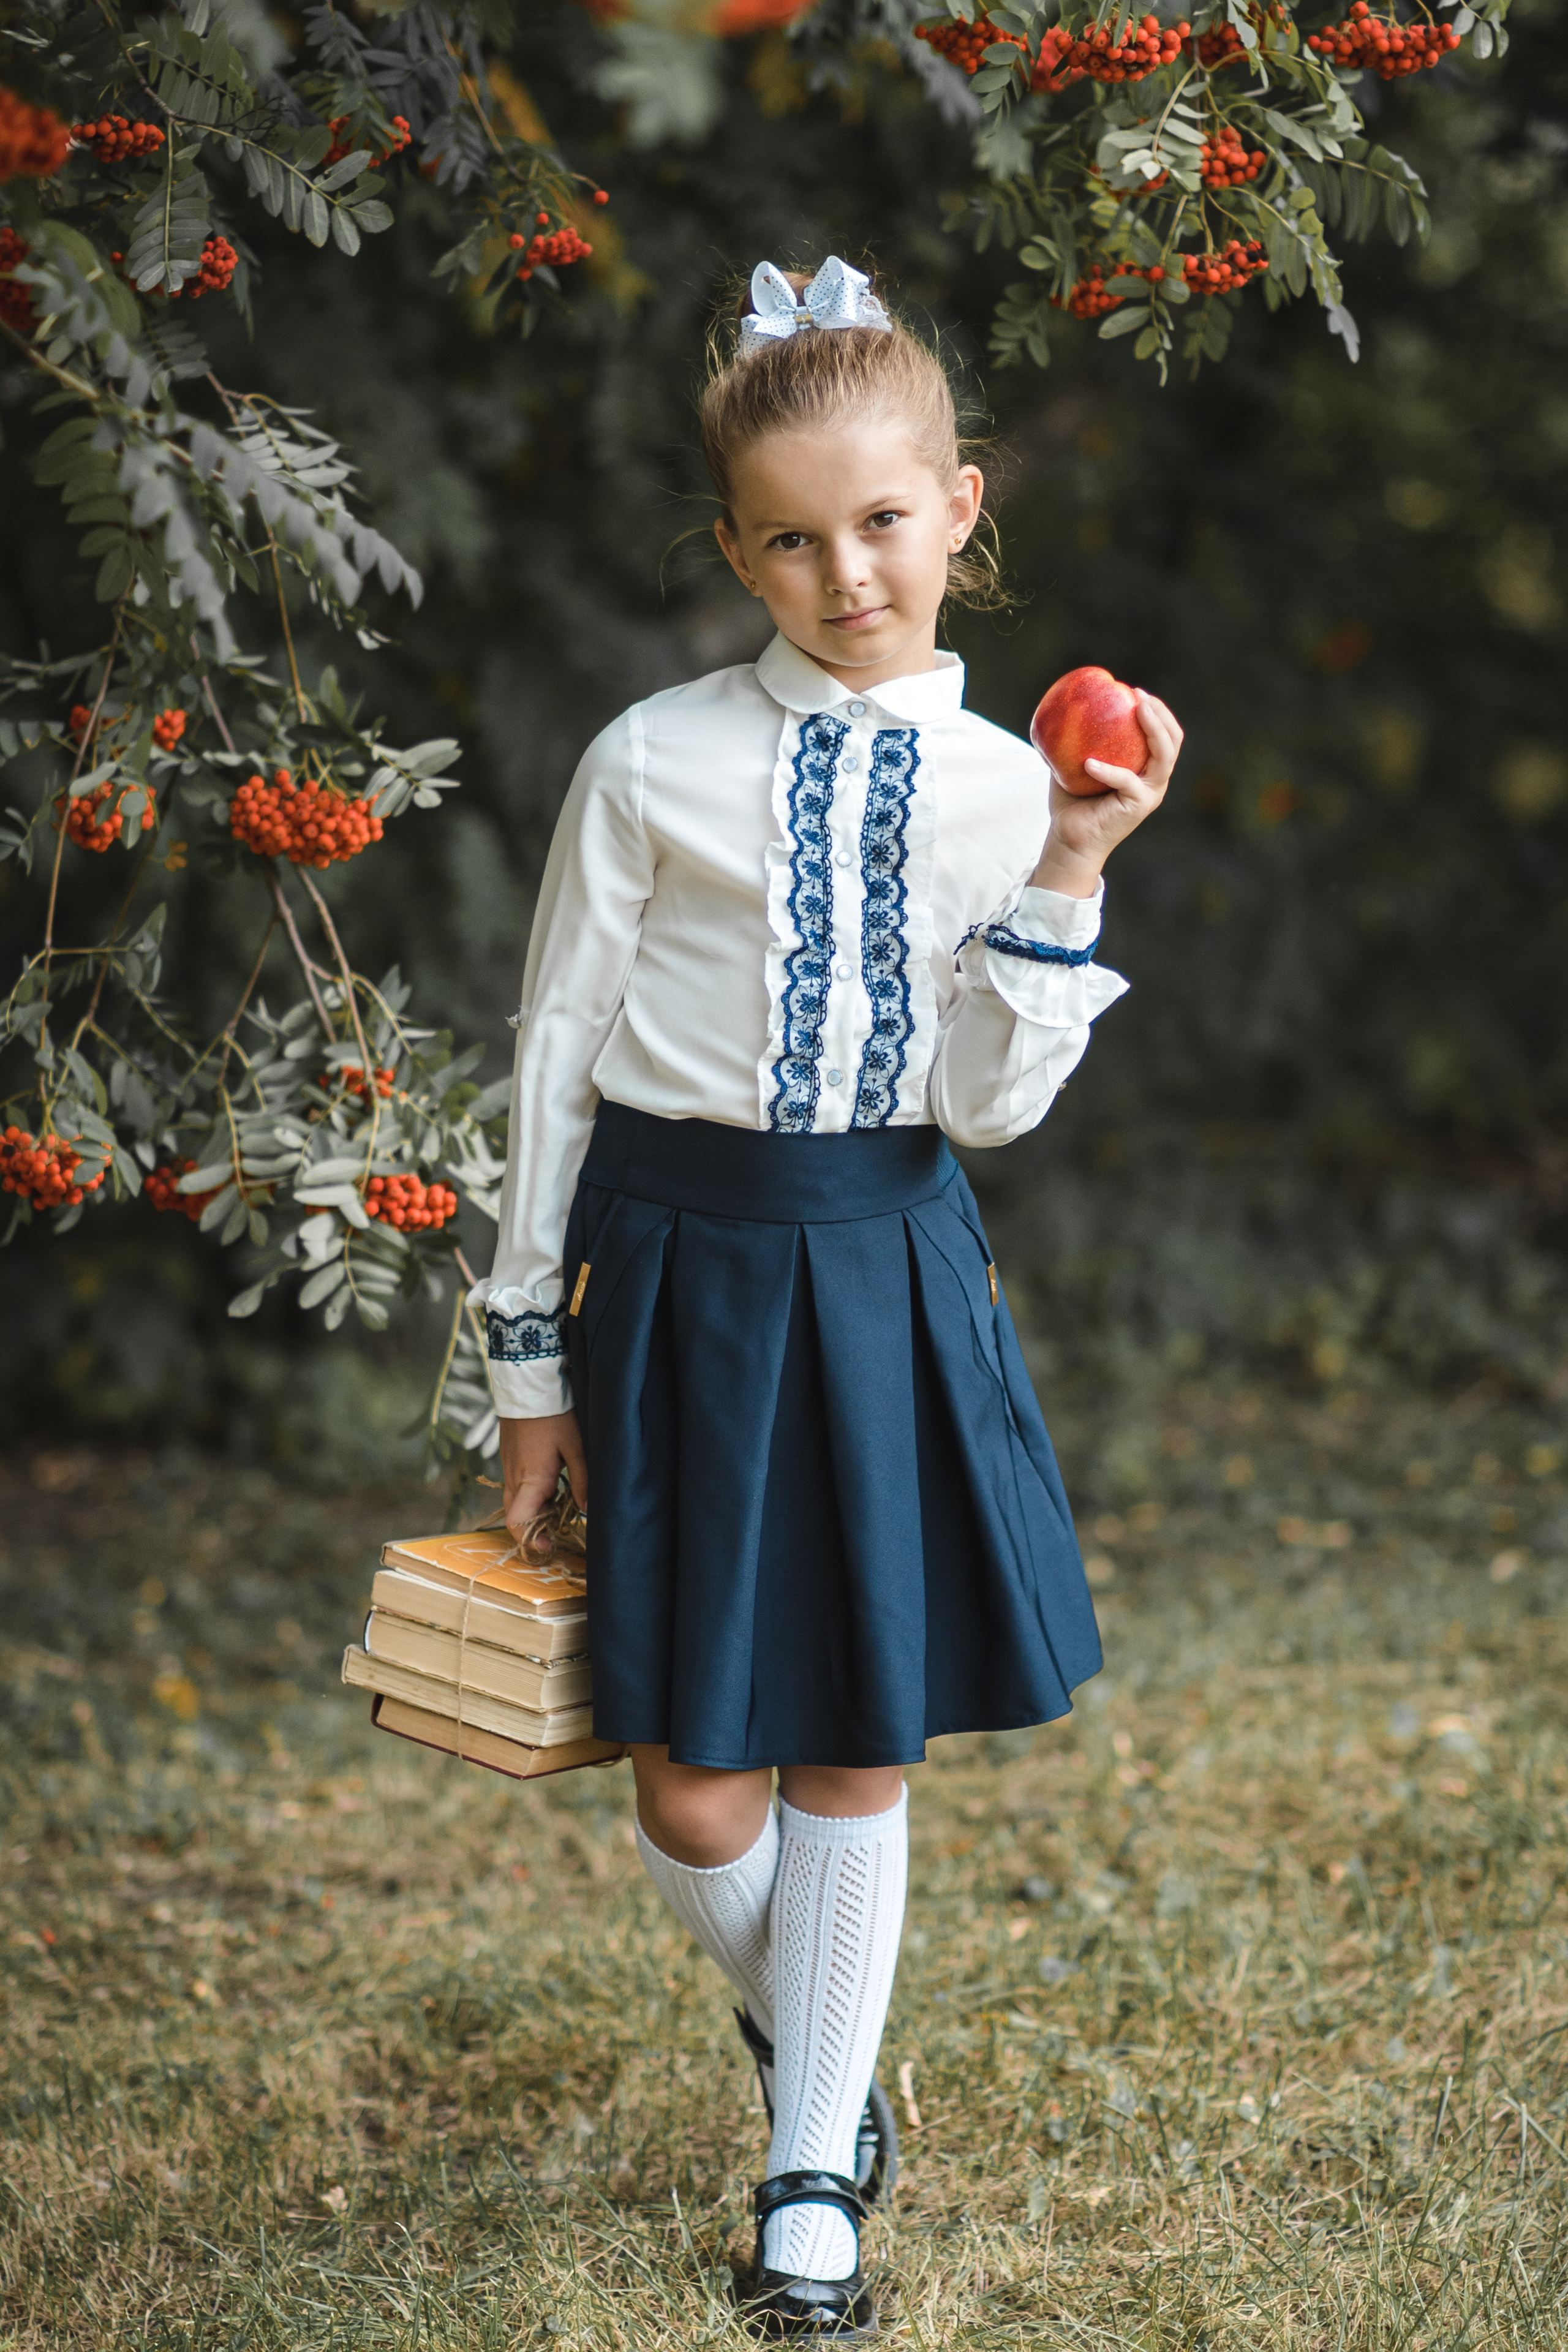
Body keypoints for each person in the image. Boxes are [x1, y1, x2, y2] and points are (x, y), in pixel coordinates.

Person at [475, 255, 1181, 2339]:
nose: (843, 571)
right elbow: (548, 1058)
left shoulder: (1009, 786)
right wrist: (530, 1366)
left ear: (963, 506)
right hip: (675, 1269)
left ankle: (810, 2176)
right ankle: (834, 2047)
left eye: (882, 520)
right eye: (789, 536)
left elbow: (986, 1105)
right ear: (735, 551)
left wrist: (1070, 871)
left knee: (853, 1736)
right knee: (692, 1777)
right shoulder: (650, 760)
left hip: (884, 1258)